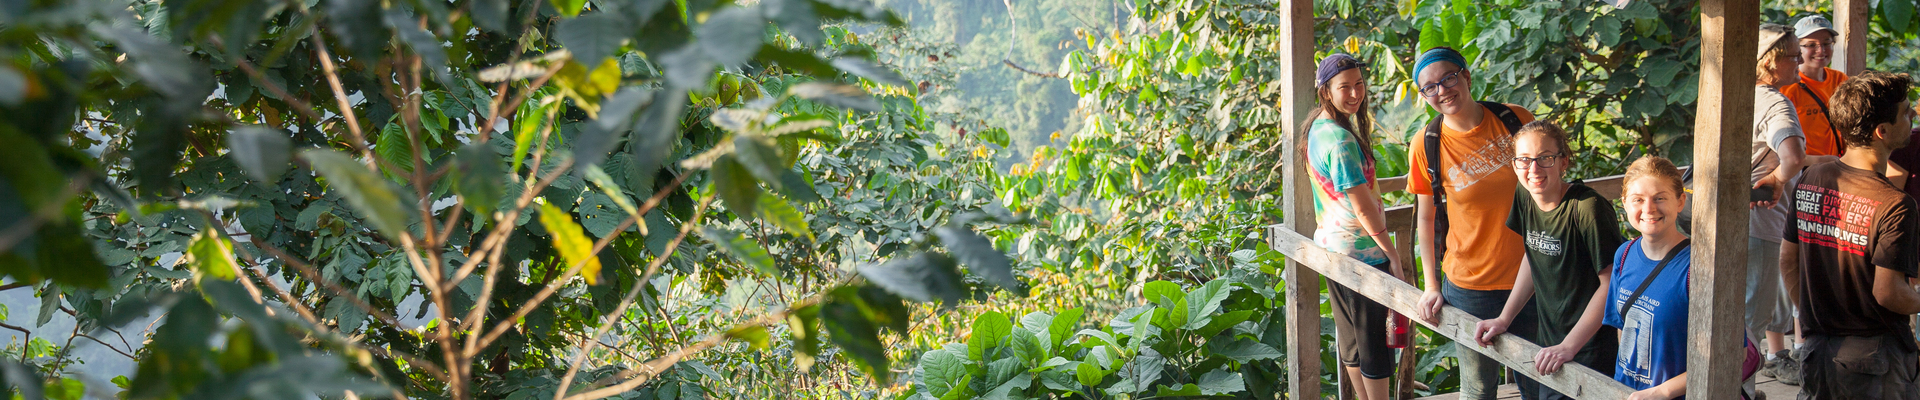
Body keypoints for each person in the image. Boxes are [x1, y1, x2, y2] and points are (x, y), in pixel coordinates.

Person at [1407, 46, 1538, 400]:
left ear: (1466, 75)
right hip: (1470, 285)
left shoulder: (1515, 119)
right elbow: (1426, 218)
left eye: (1448, 78)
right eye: (1429, 87)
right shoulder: (1426, 144)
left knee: (1539, 382)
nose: (1442, 91)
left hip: (1533, 275)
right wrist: (1431, 285)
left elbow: (1549, 185)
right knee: (1479, 388)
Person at [1780, 71, 1920, 399]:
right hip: (1877, 361)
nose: (1913, 114)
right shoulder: (1896, 204)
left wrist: (1814, 317)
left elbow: (1788, 259)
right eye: (1905, 112)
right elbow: (1888, 293)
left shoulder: (1812, 177)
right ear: (1882, 131)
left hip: (1817, 350)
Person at [1538, 156, 1719, 400]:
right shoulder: (1624, 255)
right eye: (1638, 200)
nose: (1649, 209)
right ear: (1624, 203)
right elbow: (1622, 329)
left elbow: (1731, 354)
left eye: (1660, 198)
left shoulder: (1698, 267)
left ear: (1680, 201)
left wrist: (1662, 392)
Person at [1473, 121, 1624, 400]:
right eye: (1524, 159)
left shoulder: (1587, 208)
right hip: (1550, 345)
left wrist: (1569, 346)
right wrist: (1504, 318)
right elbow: (1533, 255)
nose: (1534, 169)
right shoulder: (1525, 194)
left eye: (1545, 158)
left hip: (1589, 350)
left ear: (1563, 161)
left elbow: (1611, 284)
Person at [1302, 53, 1408, 400]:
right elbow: (1361, 205)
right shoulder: (1342, 141)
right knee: (1374, 342)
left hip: (1333, 248)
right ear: (1325, 91)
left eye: (1359, 84)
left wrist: (1402, 182)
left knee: (1352, 338)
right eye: (1344, 87)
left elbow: (1351, 187)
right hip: (1362, 253)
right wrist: (1391, 253)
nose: (1354, 93)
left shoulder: (1318, 127)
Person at [1748, 23, 1836, 386]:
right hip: (1759, 219)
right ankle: (1739, 389)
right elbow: (1794, 155)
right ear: (1769, 62)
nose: (1799, 61)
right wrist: (1780, 180)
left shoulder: (1737, 93)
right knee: (1753, 313)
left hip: (1728, 218)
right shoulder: (1774, 101)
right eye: (1792, 55)